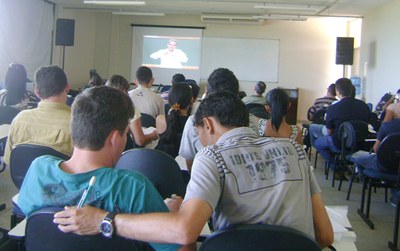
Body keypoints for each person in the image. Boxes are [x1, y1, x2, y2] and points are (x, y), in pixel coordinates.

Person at [53, 92, 334, 248]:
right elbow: (325, 237)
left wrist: (106, 220)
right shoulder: (295, 150)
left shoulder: (211, 156)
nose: (199, 140)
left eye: (198, 132)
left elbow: (185, 232)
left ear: (208, 125)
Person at [18, 86, 179, 251]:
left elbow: (33, 223)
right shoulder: (134, 187)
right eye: (125, 134)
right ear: (115, 138)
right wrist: (168, 218)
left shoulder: (39, 169)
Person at [178, 68, 259, 172]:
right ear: (237, 93)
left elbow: (190, 161)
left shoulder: (195, 121)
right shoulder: (252, 119)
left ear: (207, 92)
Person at [3, 65, 73, 165]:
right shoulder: (77, 124)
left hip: (25, 180)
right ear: (67, 87)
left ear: (36, 91)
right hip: (61, 180)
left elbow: (9, 160)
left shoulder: (19, 119)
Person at [313, 78, 370, 175]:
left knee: (317, 143)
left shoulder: (333, 108)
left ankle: (337, 166)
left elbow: (330, 132)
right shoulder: (364, 106)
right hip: (360, 143)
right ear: (352, 90)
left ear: (338, 92)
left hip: (339, 143)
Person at [351, 118, 400, 204]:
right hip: (396, 169)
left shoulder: (387, 125)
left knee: (357, 155)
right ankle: (396, 195)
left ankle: (365, 179)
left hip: (382, 165)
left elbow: (376, 149)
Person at [106, 75, 159, 147]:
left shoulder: (100, 110)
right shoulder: (129, 109)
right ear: (124, 91)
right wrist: (154, 134)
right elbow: (140, 141)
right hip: (125, 153)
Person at [156, 83, 192, 158]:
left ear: (169, 100)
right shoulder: (193, 124)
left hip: (159, 161)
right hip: (182, 165)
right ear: (191, 100)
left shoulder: (160, 119)